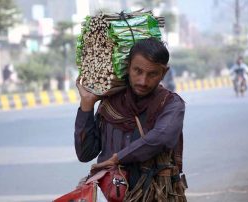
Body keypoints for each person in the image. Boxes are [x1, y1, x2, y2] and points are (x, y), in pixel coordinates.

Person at [75, 37, 187, 201]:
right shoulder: (110, 104)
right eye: (138, 71)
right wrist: (87, 105)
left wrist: (118, 158)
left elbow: (160, 137)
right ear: (128, 68)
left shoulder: (171, 105)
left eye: (152, 74)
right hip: (113, 196)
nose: (143, 81)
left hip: (156, 195)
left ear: (164, 72)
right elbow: (85, 153)